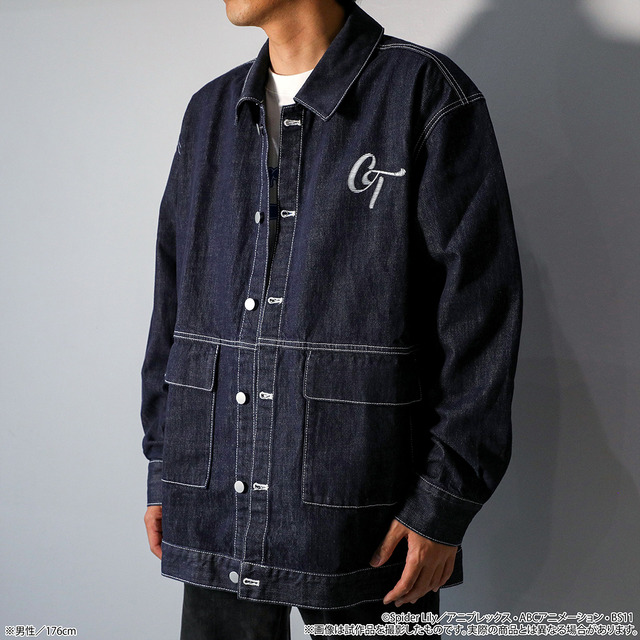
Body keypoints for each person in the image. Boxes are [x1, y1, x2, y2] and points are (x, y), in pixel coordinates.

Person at [140, 0, 523, 637]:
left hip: (367, 513)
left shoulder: (423, 93)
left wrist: (443, 503)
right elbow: (174, 301)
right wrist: (165, 468)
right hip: (214, 491)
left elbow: (480, 312)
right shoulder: (210, 112)